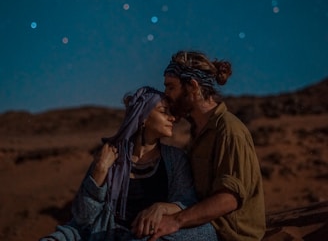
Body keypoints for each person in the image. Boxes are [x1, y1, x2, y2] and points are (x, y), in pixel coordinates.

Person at [40, 86, 218, 241]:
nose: (172, 118)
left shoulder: (175, 159)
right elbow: (83, 219)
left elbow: (186, 202)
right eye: (164, 112)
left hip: (154, 236)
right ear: (143, 117)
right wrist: (100, 171)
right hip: (108, 235)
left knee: (205, 232)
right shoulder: (110, 157)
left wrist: (161, 208)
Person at [148, 51, 266, 241]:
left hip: (228, 233)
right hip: (203, 222)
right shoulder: (198, 130)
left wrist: (176, 221)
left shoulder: (228, 131)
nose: (166, 95)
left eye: (171, 87)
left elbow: (229, 199)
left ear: (193, 86)